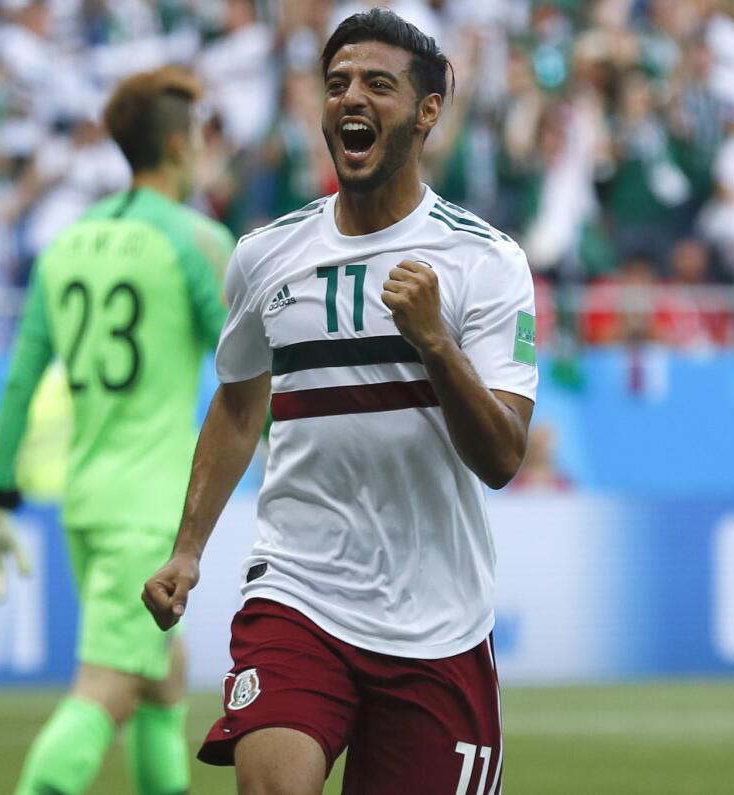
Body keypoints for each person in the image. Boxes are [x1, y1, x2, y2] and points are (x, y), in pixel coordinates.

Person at [142, 9, 536, 795]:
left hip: (437, 623)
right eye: (337, 84)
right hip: (297, 594)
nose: (351, 98)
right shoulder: (266, 256)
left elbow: (501, 457)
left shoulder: (484, 262)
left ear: (428, 111)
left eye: (378, 85)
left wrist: (435, 344)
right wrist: (188, 546)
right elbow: (237, 404)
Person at [0, 66, 233, 795]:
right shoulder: (197, 241)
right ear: (179, 145)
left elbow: (20, 381)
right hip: (148, 510)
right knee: (108, 686)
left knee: (164, 684)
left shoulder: (66, 243)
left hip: (86, 503)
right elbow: (248, 377)